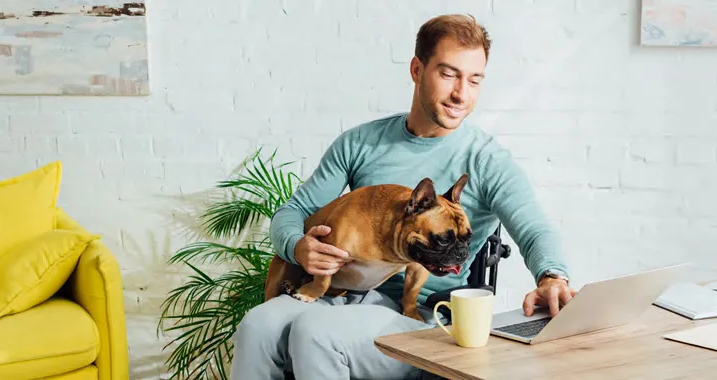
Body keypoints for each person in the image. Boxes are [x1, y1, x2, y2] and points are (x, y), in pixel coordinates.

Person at [230, 14, 577, 380]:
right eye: (448, 74)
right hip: (341, 294)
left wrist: (552, 276)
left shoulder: (486, 160)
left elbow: (535, 228)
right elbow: (294, 210)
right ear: (416, 69)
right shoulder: (360, 143)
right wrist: (297, 246)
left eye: (474, 80)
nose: (462, 93)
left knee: (316, 333)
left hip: (423, 314)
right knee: (258, 325)